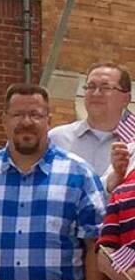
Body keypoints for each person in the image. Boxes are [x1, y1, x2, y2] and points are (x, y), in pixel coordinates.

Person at [0, 83, 106, 280]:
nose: (26, 122)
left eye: (35, 115)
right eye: (18, 114)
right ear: (4, 121)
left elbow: (95, 247)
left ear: (48, 121)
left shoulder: (81, 176)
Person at [49, 62, 133, 191]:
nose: (96, 93)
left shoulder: (132, 144)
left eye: (105, 87)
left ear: (126, 99)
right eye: (90, 86)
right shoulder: (56, 139)